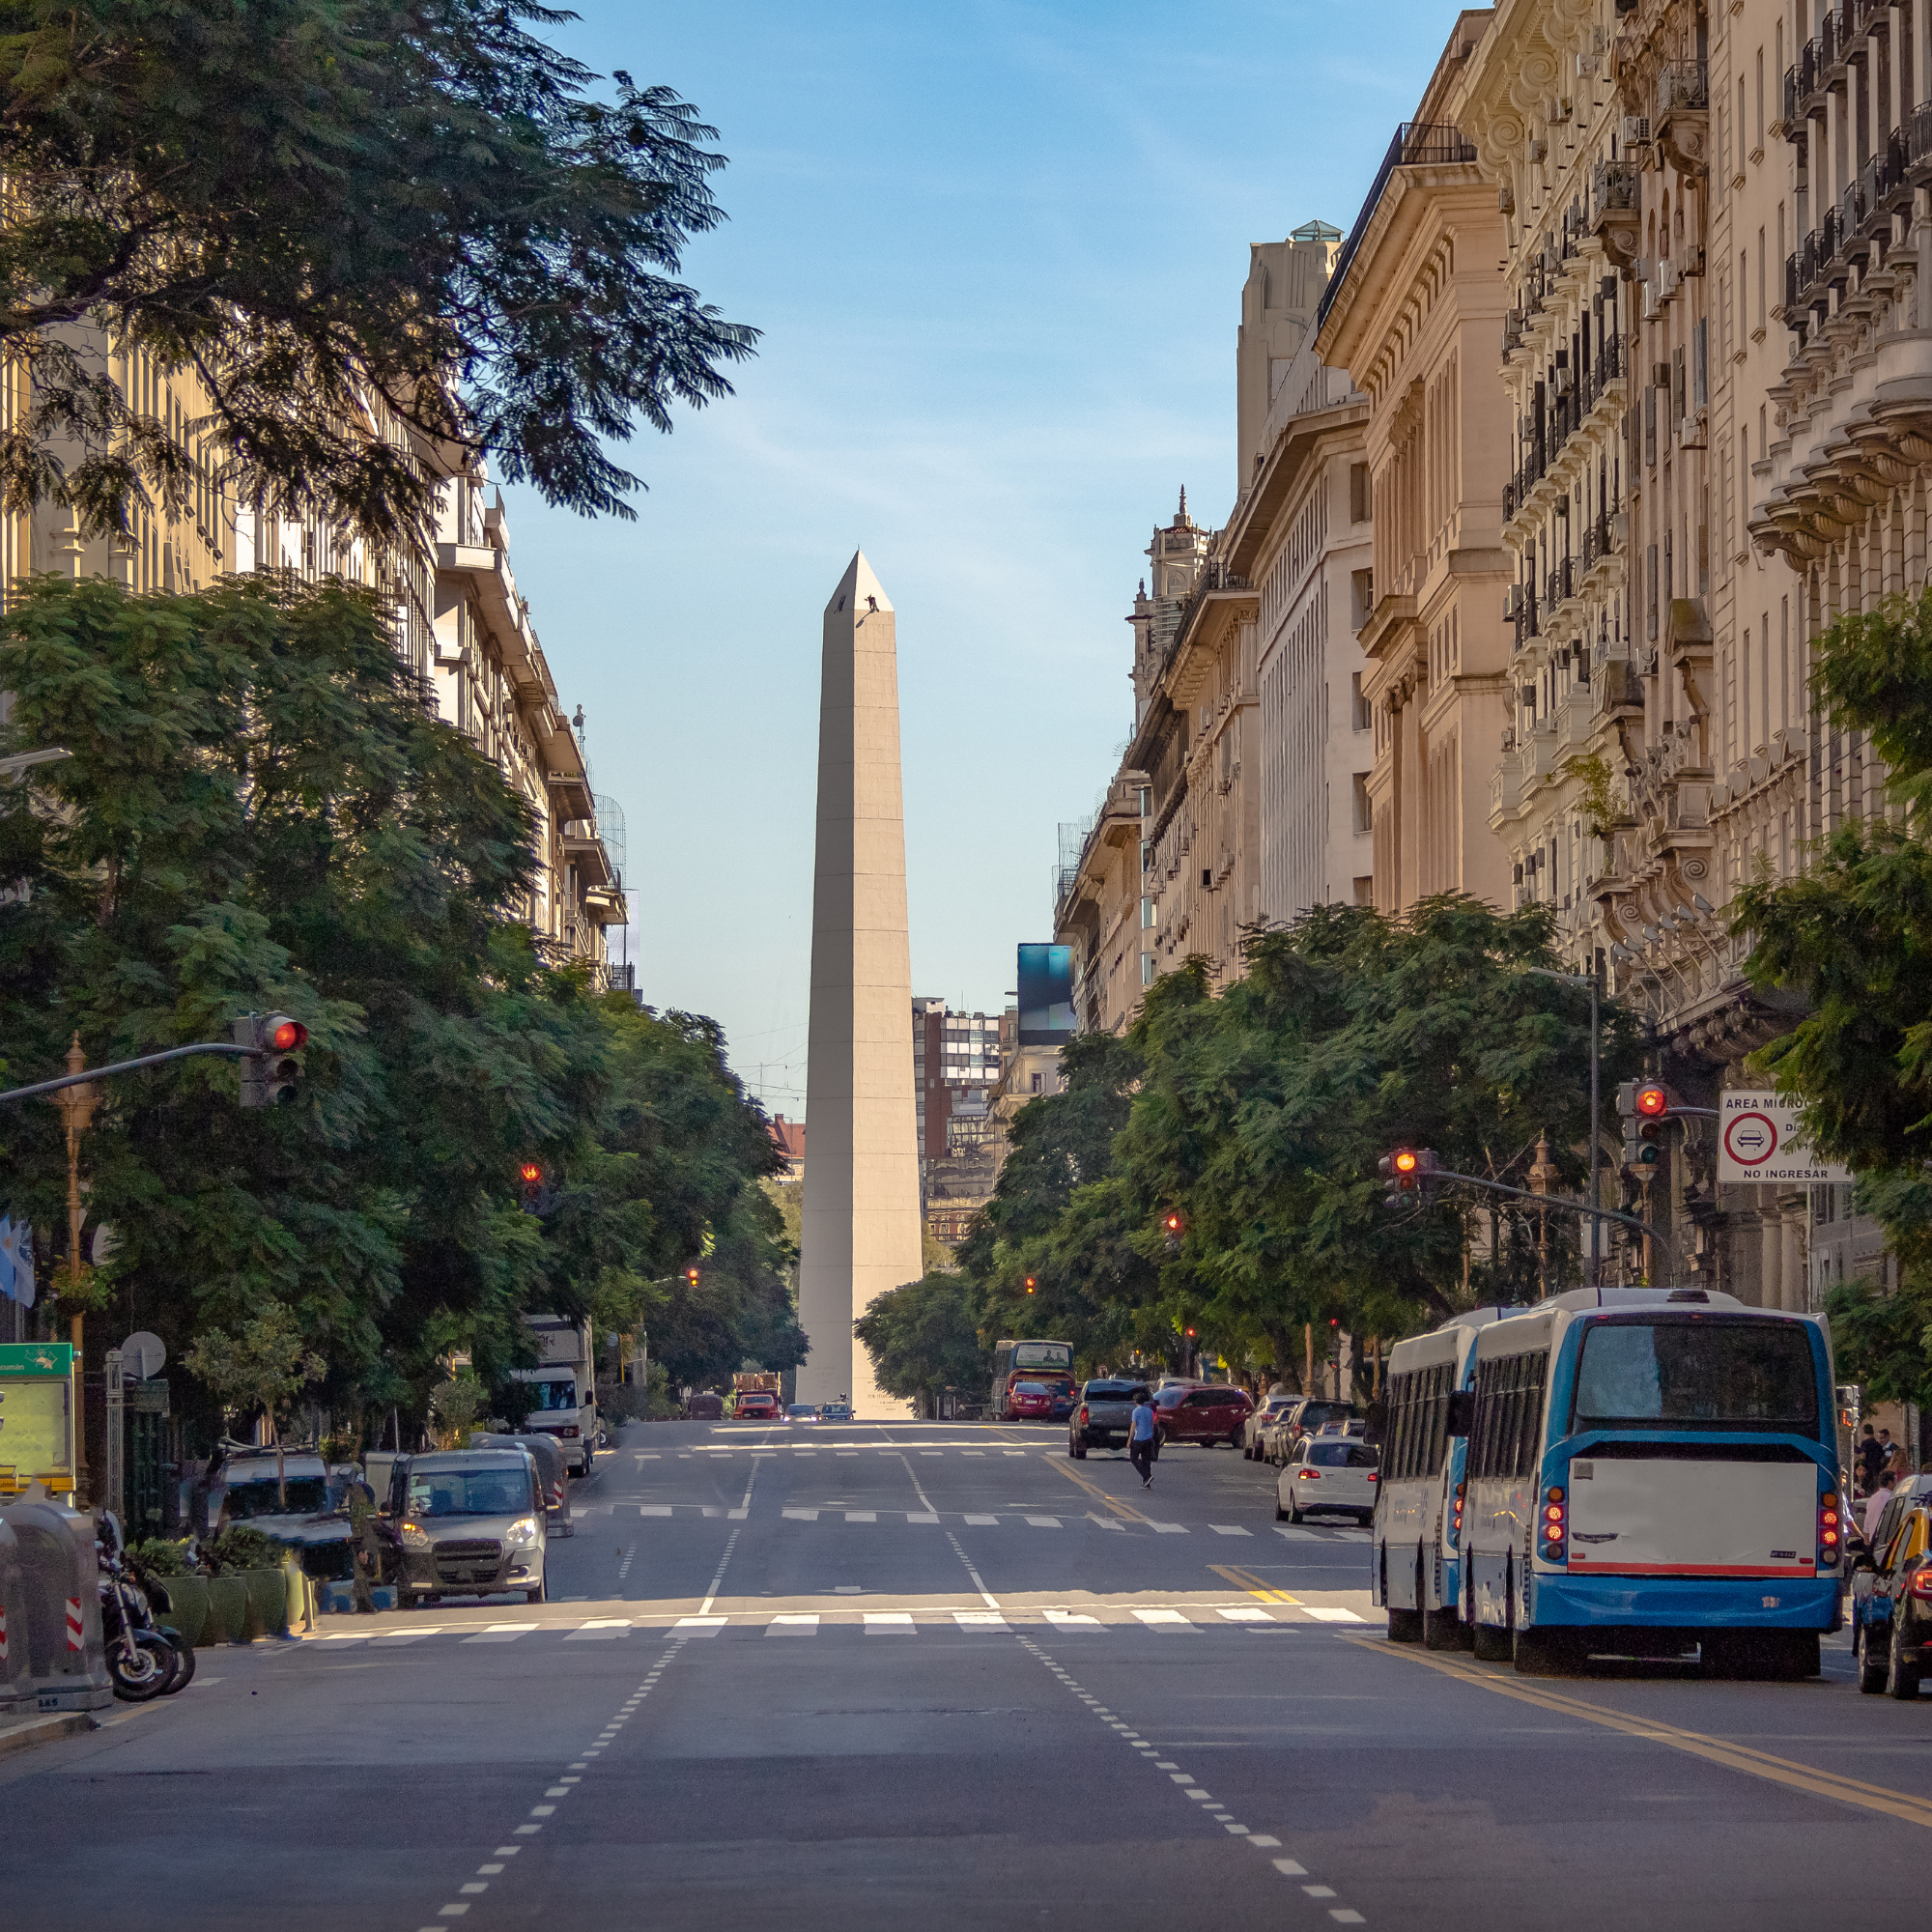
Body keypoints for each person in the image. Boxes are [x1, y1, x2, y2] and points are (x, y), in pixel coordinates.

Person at [1128, 1390, 1158, 1489]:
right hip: (1149, 1438)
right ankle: (1146, 1483)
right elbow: (1152, 1424)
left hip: (1139, 1439)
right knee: (1146, 1460)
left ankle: (1147, 1476)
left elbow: (1133, 1426)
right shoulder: (1150, 1411)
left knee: (1134, 1458)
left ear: (1136, 1401)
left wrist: (1129, 1440)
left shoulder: (1136, 1411)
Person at [1863, 1468, 1896, 1545]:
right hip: (1887, 1542)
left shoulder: (1872, 1498)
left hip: (1873, 1542)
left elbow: (1867, 1522)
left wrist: (1867, 1541)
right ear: (1890, 1483)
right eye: (1896, 1481)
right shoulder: (1891, 1498)